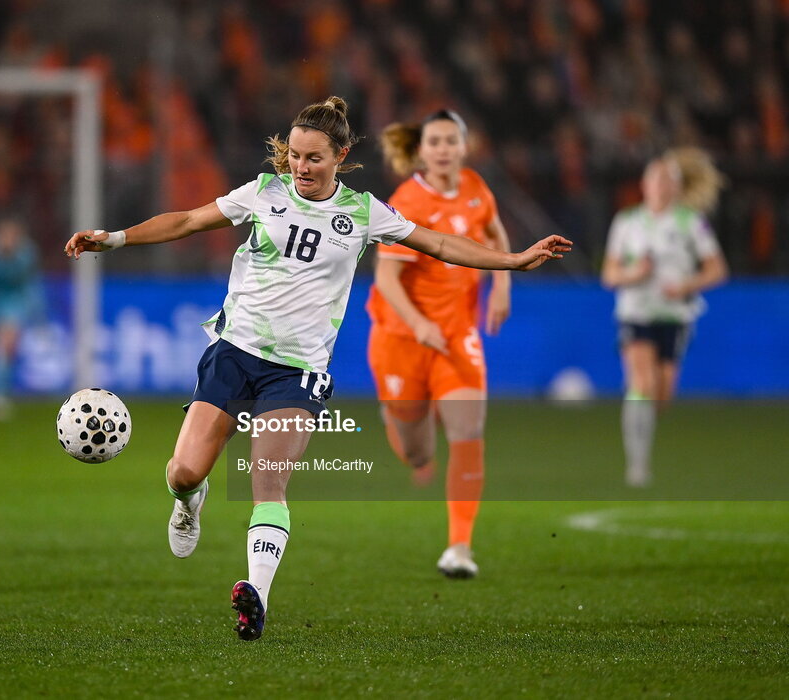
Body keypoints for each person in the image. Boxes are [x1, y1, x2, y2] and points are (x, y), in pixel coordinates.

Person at [64, 97, 570, 641]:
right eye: (294, 157)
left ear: (341, 156)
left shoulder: (364, 212)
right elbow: (187, 220)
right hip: (235, 352)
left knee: (269, 482)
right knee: (184, 472)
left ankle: (256, 593)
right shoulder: (263, 193)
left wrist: (513, 260)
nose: (300, 168)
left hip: (298, 371)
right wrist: (114, 238)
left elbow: (441, 243)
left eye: (313, 159)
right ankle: (189, 504)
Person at [366, 110, 512, 579]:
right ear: (422, 151)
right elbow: (386, 278)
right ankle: (404, 417)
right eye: (435, 141)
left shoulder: (475, 188)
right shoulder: (406, 200)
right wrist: (417, 323)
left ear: (464, 146)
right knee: (418, 454)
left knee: (468, 432)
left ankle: (459, 548)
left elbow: (494, 231)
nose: (444, 148)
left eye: (452, 140)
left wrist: (503, 284)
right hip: (400, 338)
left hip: (456, 335)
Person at [601, 147, 728, 487]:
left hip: (675, 315)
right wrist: (634, 274)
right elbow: (609, 275)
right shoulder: (627, 222)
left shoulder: (690, 222)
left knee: (661, 395)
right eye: (654, 178)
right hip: (636, 312)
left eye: (666, 179)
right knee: (641, 384)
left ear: (675, 187)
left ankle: (639, 428)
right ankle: (637, 466)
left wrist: (688, 284)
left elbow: (717, 269)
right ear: (643, 185)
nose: (659, 185)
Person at [0, 216, 44, 420]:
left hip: (11, 301)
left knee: (6, 344)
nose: (10, 241)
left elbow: (29, 283)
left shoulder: (27, 255)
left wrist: (35, 309)